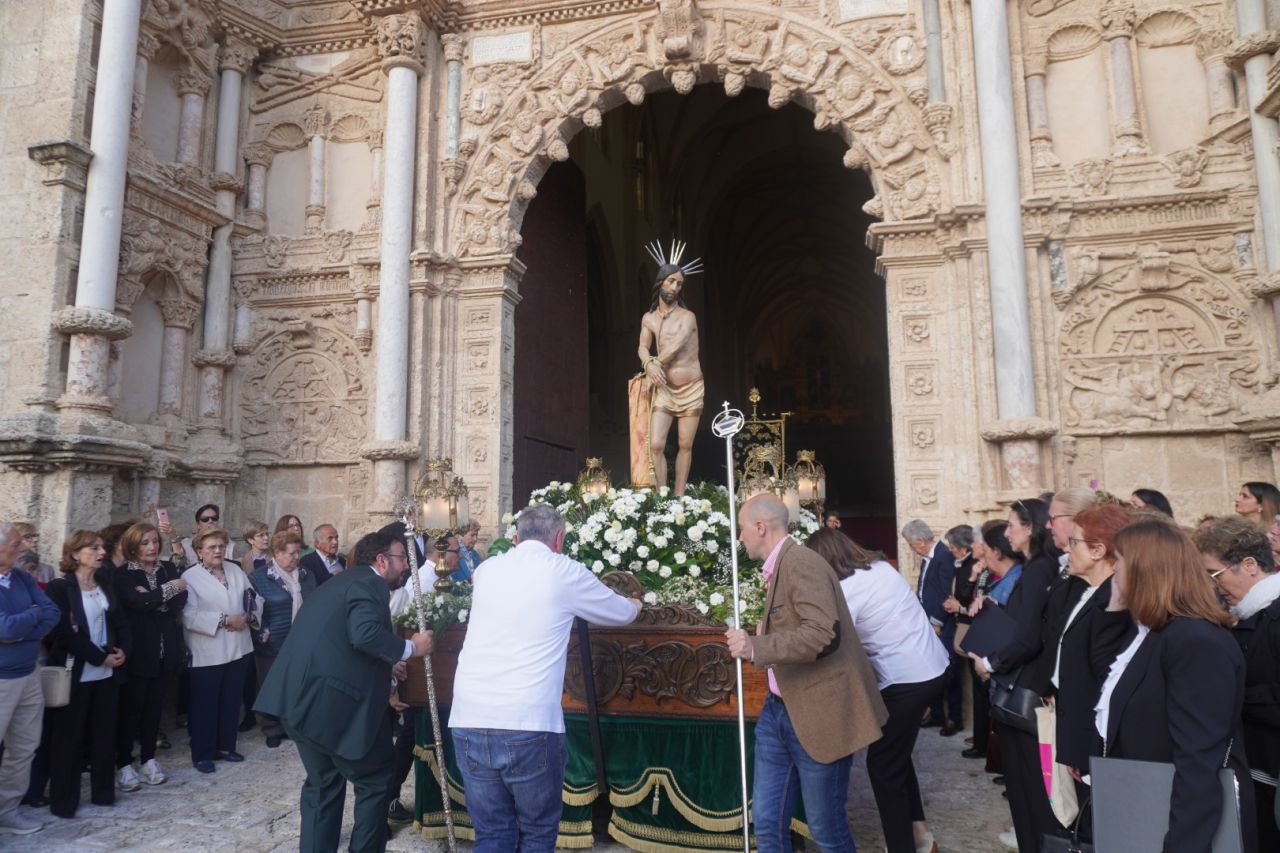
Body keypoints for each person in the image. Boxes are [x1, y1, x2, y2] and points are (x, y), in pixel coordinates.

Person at [450, 505, 641, 850]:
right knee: (537, 831)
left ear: (515, 536)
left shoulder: (488, 570)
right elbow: (622, 613)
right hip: (527, 721)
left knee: (492, 832)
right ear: (558, 538)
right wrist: (637, 603)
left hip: (469, 715)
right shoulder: (563, 571)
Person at [725, 494, 887, 853]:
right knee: (767, 823)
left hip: (817, 712)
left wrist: (757, 646)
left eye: (741, 530)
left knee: (826, 831)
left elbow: (821, 633)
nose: (740, 538)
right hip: (778, 709)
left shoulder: (801, 563)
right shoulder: (780, 565)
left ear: (760, 527)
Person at [254, 532, 433, 853]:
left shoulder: (340, 582)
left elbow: (340, 639)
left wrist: (387, 661)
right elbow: (364, 634)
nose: (406, 566)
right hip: (329, 704)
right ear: (381, 560)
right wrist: (410, 647)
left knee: (323, 785)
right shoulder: (370, 584)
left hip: (295, 702)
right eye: (401, 559)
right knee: (375, 780)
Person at [1098, 519, 1256, 853]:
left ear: (1146, 570)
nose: (1113, 569)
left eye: (1120, 561)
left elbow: (1198, 763)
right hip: (1148, 811)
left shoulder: (1195, 641)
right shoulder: (1159, 633)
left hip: (1180, 827)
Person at [807, 528, 948, 853]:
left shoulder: (846, 589)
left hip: (906, 679)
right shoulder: (881, 568)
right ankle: (919, 834)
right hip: (933, 666)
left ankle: (902, 847)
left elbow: (829, 638)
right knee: (895, 754)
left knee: (882, 767)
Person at [970, 498, 1061, 853]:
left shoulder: (1038, 569)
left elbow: (1028, 636)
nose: (1007, 534)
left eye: (1012, 526)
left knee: (1029, 786)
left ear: (1030, 527)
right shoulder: (1036, 566)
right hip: (1025, 679)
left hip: (1024, 685)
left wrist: (989, 663)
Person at [1195, 516, 1280, 849]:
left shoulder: (1273, 618)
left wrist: (1234, 699)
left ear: (1249, 565)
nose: (1214, 586)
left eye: (1215, 575)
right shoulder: (1244, 617)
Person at [44, 530, 131, 818]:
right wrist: (100, 657)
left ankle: (103, 792)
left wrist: (121, 652)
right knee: (69, 739)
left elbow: (121, 621)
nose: (101, 553)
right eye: (93, 548)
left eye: (101, 548)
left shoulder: (105, 582)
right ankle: (64, 800)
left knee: (104, 735)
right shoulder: (60, 588)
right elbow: (64, 634)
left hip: (107, 673)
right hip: (77, 671)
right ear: (74, 554)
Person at [114, 522, 187, 790]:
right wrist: (169, 590)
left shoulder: (167, 568)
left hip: (164, 650)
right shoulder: (124, 575)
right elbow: (137, 603)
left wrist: (155, 598)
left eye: (155, 541)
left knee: (154, 710)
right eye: (145, 542)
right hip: (138, 652)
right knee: (131, 710)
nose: (152, 547)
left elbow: (181, 601)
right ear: (133, 546)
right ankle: (123, 763)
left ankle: (148, 758)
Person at [182, 527, 259, 773]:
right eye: (211, 547)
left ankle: (227, 746)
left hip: (238, 646)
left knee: (231, 699)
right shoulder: (190, 576)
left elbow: (253, 598)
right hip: (208, 650)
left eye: (221, 546)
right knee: (206, 703)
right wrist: (224, 619)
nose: (218, 551)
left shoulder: (235, 570)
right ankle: (203, 753)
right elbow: (187, 615)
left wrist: (248, 616)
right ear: (199, 551)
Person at [0, 523, 59, 836]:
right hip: (2, 679)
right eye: (14, 544)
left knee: (23, 748)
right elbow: (5, 628)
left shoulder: (22, 577)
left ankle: (7, 811)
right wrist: (24, 624)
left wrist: (22, 631)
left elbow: (52, 612)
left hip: (29, 673)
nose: (22, 548)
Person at [632, 254, 704, 495]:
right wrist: (648, 363)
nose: (675, 287)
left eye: (679, 284)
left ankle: (679, 495)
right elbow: (642, 346)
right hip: (664, 388)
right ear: (660, 282)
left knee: (685, 443)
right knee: (656, 444)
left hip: (691, 386)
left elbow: (675, 348)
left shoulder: (688, 316)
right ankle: (664, 496)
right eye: (671, 281)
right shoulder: (649, 318)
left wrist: (653, 366)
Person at [248, 530, 316, 749]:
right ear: (277, 553)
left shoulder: (306, 574)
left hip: (301, 641)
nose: (297, 557)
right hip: (272, 640)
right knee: (270, 685)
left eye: (298, 552)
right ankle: (271, 728)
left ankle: (292, 725)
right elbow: (253, 611)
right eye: (292, 553)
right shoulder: (260, 576)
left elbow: (314, 601)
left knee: (296, 685)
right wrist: (263, 632)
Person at [902, 519, 960, 734]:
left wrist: (936, 622)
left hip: (942, 625)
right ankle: (936, 714)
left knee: (949, 672)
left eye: (909, 543)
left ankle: (954, 718)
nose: (910, 548)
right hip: (928, 624)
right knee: (932, 670)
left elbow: (947, 592)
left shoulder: (944, 556)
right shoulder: (929, 558)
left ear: (919, 541)